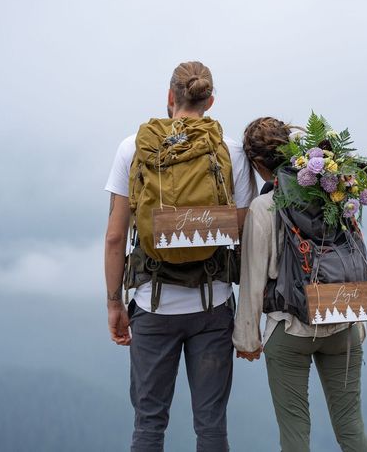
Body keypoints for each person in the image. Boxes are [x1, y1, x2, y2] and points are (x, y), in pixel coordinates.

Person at [104, 61, 257, 452]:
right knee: (210, 427)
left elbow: (115, 237)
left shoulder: (132, 148)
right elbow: (244, 236)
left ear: (170, 97)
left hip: (151, 305)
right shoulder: (231, 152)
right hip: (214, 303)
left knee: (149, 426)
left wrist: (114, 304)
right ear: (210, 101)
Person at [233, 117, 367, 452]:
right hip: (342, 321)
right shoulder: (333, 190)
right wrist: (359, 319)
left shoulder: (265, 206)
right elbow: (355, 250)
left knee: (295, 434)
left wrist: (247, 339)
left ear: (257, 164)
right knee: (351, 427)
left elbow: (253, 278)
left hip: (289, 328)